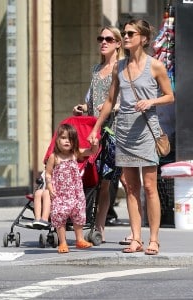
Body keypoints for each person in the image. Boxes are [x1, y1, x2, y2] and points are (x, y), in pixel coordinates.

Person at [88, 19, 174, 255]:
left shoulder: (155, 66)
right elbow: (109, 101)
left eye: (130, 33)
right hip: (124, 130)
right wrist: (96, 128)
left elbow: (169, 96)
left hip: (147, 129)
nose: (125, 37)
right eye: (124, 33)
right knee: (132, 188)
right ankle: (136, 238)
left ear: (143, 39)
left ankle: (153, 239)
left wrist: (151, 101)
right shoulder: (120, 66)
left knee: (149, 186)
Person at [73, 26, 125, 242]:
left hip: (114, 130)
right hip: (94, 130)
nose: (103, 42)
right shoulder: (96, 69)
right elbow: (91, 100)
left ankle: (121, 231)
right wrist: (83, 108)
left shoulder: (122, 68)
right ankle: (96, 228)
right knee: (98, 180)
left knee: (116, 180)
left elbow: (119, 100)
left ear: (118, 43)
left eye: (109, 39)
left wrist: (109, 109)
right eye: (100, 38)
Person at [45, 123, 99, 253]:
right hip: (60, 194)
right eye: (63, 138)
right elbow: (48, 173)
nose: (67, 141)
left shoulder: (75, 153)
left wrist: (95, 143)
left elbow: (92, 151)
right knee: (60, 216)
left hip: (76, 193)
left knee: (78, 215)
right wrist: (50, 186)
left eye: (70, 139)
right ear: (57, 140)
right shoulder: (54, 157)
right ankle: (63, 242)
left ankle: (79, 239)